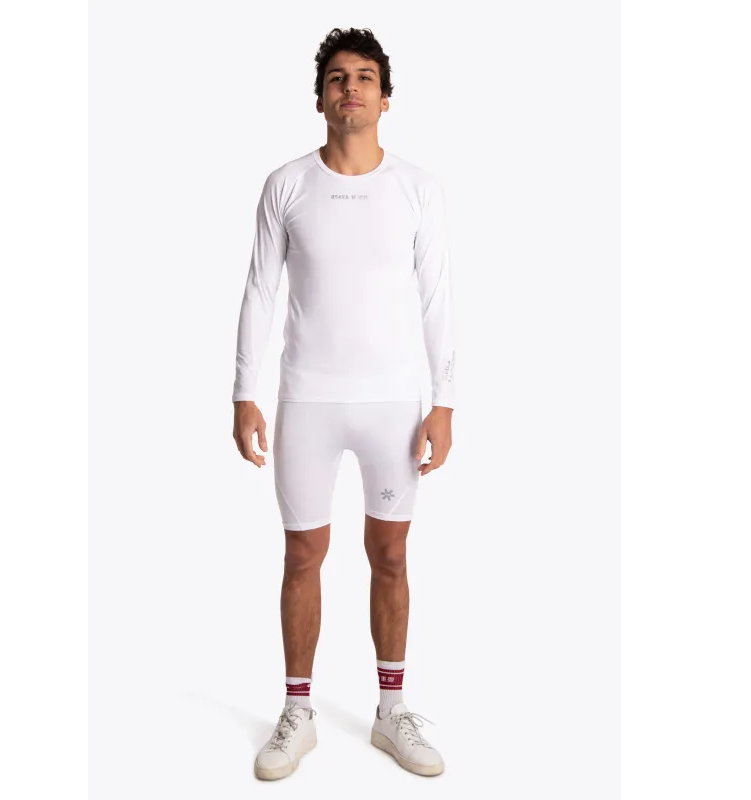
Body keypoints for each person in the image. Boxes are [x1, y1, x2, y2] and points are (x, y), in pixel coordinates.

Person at [231, 27, 456, 780]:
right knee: (303, 554)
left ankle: (391, 711)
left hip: (394, 403)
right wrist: (244, 392)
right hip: (308, 399)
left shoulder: (416, 188)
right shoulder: (287, 185)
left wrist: (445, 401)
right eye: (336, 77)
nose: (350, 88)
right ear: (320, 97)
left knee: (390, 554)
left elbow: (437, 300)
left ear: (385, 99)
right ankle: (298, 712)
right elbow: (260, 290)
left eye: (364, 77)